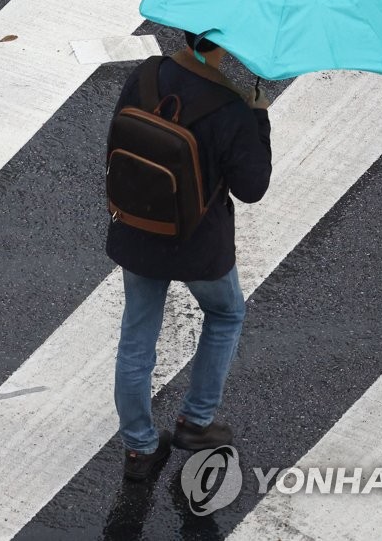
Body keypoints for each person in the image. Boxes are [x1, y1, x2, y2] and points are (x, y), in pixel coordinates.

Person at [106, 30, 272, 481]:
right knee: (225, 314)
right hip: (198, 242)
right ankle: (195, 422)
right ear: (225, 42)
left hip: (139, 226)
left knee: (137, 338)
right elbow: (251, 188)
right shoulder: (231, 106)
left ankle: (139, 448)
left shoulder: (144, 76)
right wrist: (258, 118)